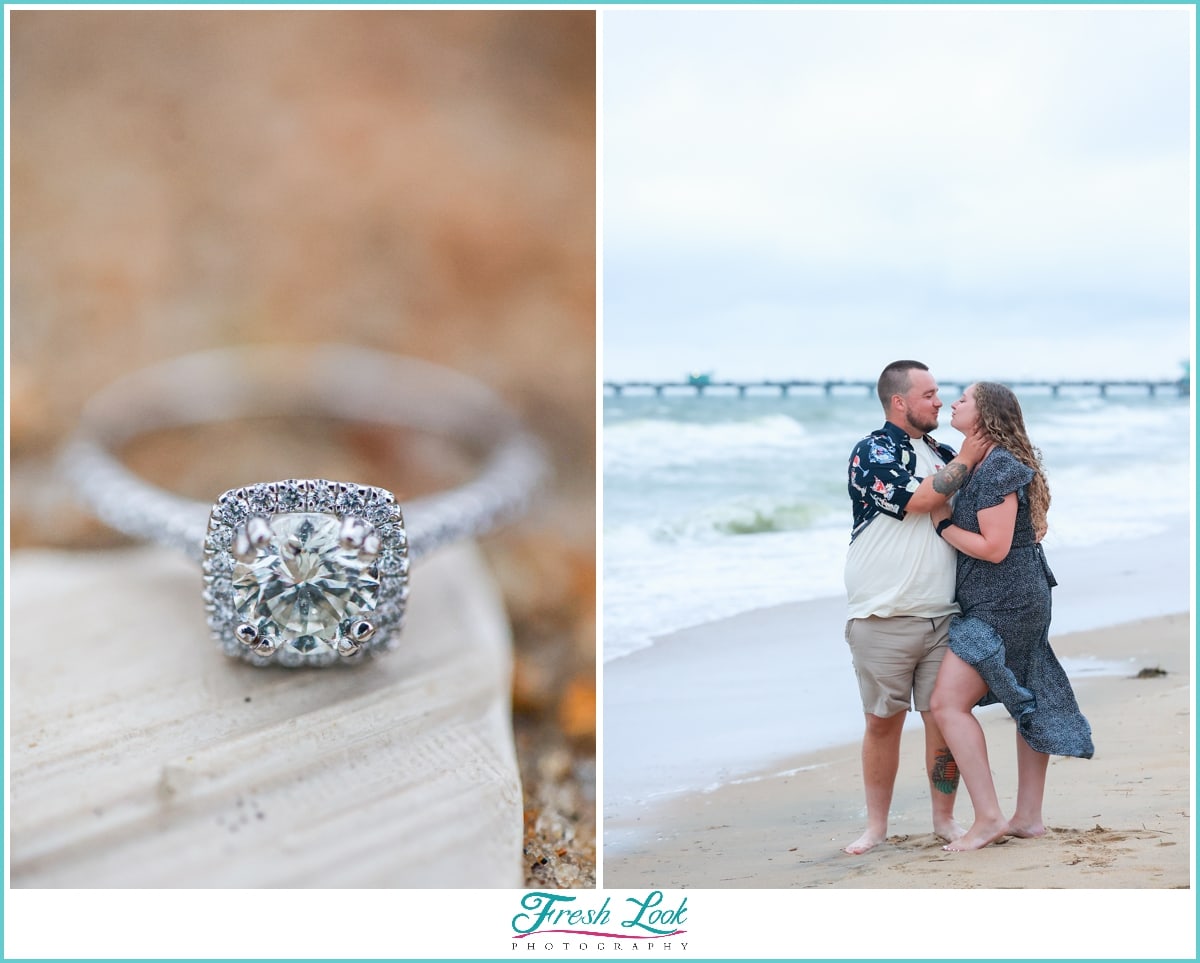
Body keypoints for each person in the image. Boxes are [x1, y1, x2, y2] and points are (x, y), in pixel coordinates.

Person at [929, 382, 1093, 852]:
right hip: (1015, 597)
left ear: (984, 414)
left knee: (946, 704)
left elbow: (995, 548)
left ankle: (988, 818)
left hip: (1007, 601)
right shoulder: (989, 462)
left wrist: (942, 524)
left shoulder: (999, 466)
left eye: (963, 398)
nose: (954, 403)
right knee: (1029, 698)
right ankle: (1027, 818)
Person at [842, 360, 990, 855]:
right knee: (882, 723)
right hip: (882, 613)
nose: (939, 402)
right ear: (899, 401)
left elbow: (984, 506)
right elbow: (917, 500)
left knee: (942, 718)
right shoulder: (872, 452)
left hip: (944, 614)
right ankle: (876, 827)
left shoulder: (944, 452)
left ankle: (944, 820)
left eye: (941, 393)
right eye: (928, 394)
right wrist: (969, 457)